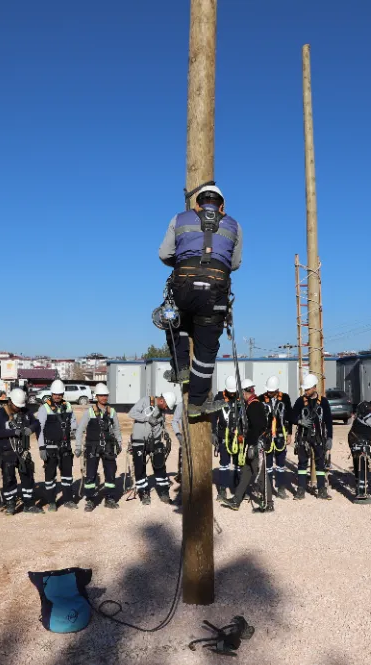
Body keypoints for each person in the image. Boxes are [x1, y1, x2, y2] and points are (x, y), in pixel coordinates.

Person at [158, 184, 243, 417]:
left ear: (196, 204)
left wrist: (183, 260)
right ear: (222, 207)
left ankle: (180, 368)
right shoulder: (235, 225)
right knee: (206, 348)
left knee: (174, 319)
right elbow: (234, 264)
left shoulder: (179, 219)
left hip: (183, 286)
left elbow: (164, 254)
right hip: (216, 291)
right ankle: (196, 403)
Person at [0, 388, 42, 515]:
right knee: (9, 479)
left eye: (20, 406)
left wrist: (31, 428)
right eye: (16, 406)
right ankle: (10, 504)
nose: (18, 408)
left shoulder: (25, 412)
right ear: (10, 402)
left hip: (23, 452)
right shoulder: (0, 414)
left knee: (28, 477)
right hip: (7, 452)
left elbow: (37, 423)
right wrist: (12, 432)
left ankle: (29, 504)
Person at [221, 379, 270, 511]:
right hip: (251, 444)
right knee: (245, 473)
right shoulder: (250, 404)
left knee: (260, 474)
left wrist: (247, 440)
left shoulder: (254, 406)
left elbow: (258, 427)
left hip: (255, 445)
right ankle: (236, 500)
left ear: (244, 392)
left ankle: (268, 502)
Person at [76, 383, 123, 512]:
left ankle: (110, 498)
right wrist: (78, 446)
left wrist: (119, 443)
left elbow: (117, 429)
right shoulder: (90, 411)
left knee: (110, 473)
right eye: (101, 395)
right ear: (96, 396)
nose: (104, 398)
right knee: (91, 474)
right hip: (92, 447)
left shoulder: (111, 411)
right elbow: (80, 430)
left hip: (108, 446)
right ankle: (90, 500)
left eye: (105, 395)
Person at [128, 391, 178, 505]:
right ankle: (144, 493)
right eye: (166, 406)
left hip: (155, 442)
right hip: (139, 441)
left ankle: (164, 492)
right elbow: (132, 413)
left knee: (160, 467)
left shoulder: (161, 410)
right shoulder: (145, 401)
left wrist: (165, 433)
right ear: (162, 400)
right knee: (140, 469)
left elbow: (160, 424)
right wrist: (147, 418)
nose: (166, 409)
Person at [37, 380, 79, 511]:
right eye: (55, 394)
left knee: (67, 476)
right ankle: (51, 502)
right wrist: (42, 447)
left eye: (60, 394)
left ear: (63, 394)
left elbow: (73, 421)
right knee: (50, 477)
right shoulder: (44, 408)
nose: (57, 396)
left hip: (65, 447)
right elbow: (39, 429)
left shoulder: (68, 406)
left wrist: (74, 431)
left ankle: (68, 500)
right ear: (52, 393)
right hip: (50, 448)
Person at [291, 374, 333, 501]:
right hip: (303, 437)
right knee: (302, 464)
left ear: (314, 387)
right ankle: (301, 490)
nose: (306, 391)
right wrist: (299, 421)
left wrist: (330, 438)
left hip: (319, 437)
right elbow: (291, 417)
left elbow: (328, 421)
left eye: (308, 389)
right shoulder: (300, 401)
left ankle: (321, 490)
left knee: (320, 464)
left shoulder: (323, 402)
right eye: (305, 389)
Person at [260, 376, 294, 499]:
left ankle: (281, 488)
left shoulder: (285, 398)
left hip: (280, 433)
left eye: (272, 391)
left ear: (277, 390)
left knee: (280, 463)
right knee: (268, 464)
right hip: (267, 435)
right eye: (268, 391)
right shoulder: (261, 399)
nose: (269, 393)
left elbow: (289, 416)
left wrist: (289, 433)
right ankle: (268, 488)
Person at [212, 376, 241, 501]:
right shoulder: (219, 398)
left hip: (237, 435)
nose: (233, 394)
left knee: (238, 463)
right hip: (223, 434)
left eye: (234, 392)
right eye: (231, 392)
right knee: (224, 463)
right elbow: (213, 416)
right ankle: (223, 490)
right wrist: (213, 433)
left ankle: (238, 487)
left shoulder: (240, 397)